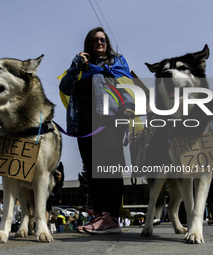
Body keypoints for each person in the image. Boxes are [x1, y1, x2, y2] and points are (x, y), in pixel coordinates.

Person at [59, 27, 139, 234]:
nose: (100, 42)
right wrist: (75, 66)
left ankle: (110, 216)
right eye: (95, 39)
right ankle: (101, 215)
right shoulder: (80, 65)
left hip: (109, 120)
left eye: (103, 39)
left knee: (110, 166)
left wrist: (129, 105)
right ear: (89, 43)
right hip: (83, 123)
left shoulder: (116, 62)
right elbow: (66, 88)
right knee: (92, 169)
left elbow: (127, 84)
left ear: (107, 42)